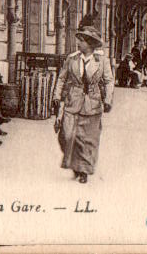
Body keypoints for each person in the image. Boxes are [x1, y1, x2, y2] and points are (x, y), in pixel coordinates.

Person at [53, 23, 115, 184]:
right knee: (66, 135)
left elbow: (109, 81)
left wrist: (108, 100)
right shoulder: (72, 59)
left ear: (90, 43)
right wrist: (56, 96)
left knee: (87, 139)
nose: (78, 43)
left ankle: (83, 170)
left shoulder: (101, 60)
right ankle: (74, 163)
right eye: (78, 40)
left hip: (92, 104)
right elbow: (61, 78)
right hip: (72, 101)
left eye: (81, 40)